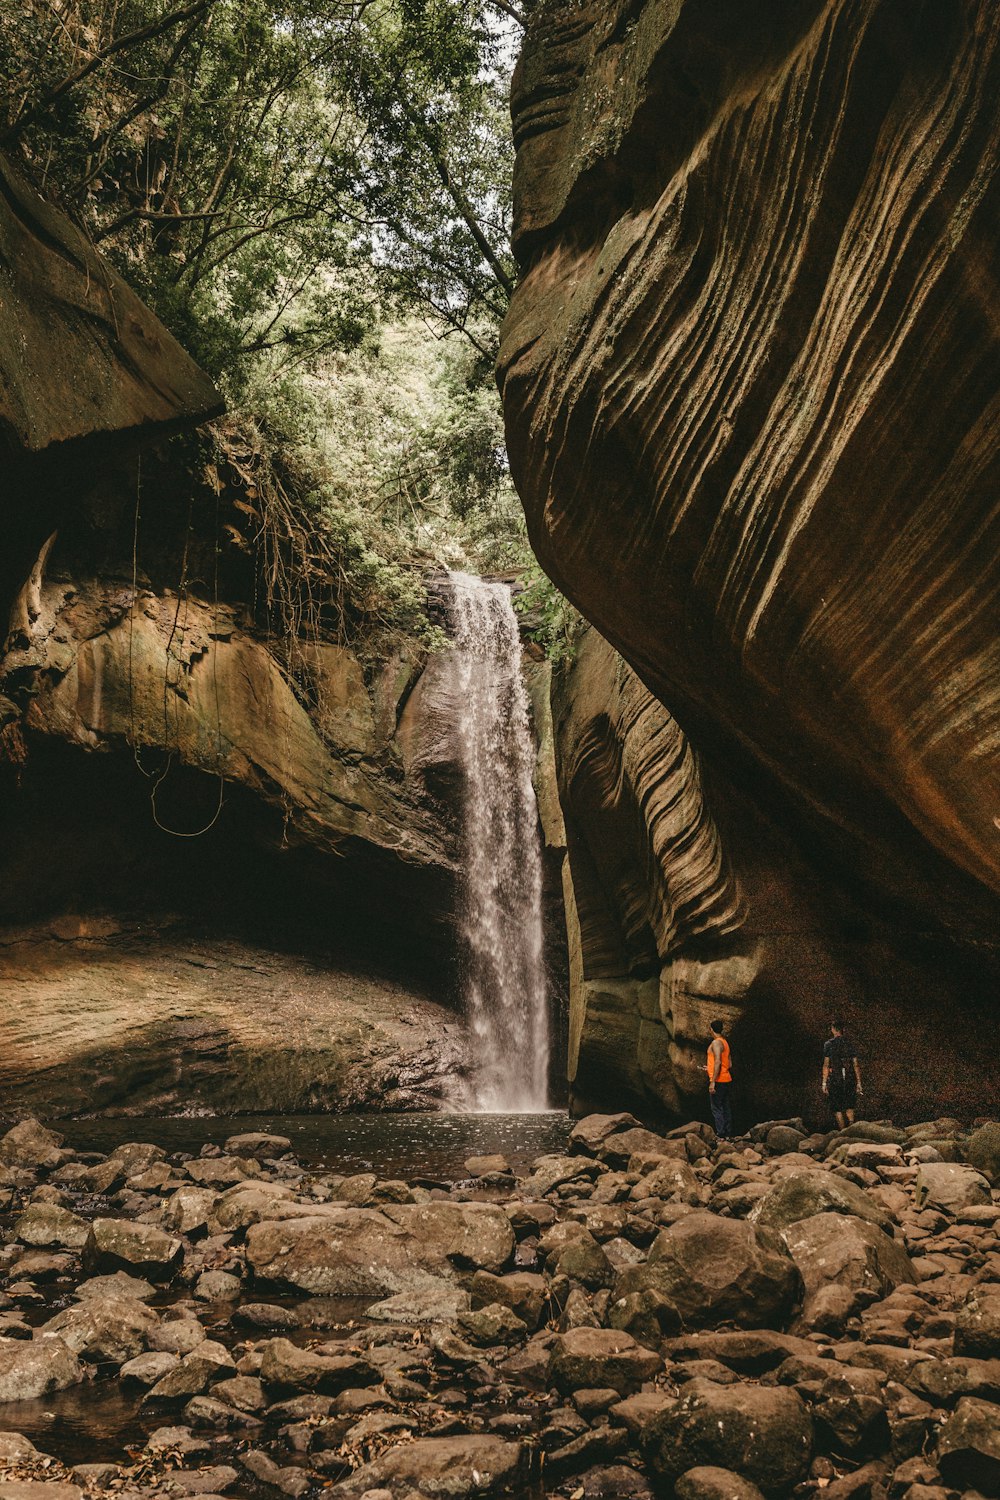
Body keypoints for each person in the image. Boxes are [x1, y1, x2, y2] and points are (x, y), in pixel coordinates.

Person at [822, 1020, 863, 1128]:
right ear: (843, 1030)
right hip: (849, 1077)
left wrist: (824, 1083)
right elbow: (855, 1065)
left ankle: (843, 1132)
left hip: (836, 1077)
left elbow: (826, 1065)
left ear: (833, 1030)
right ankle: (851, 1128)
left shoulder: (828, 1044)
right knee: (849, 1105)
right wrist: (859, 1082)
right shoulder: (850, 1044)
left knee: (837, 1107)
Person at [706, 1018, 733, 1139]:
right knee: (725, 1106)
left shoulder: (716, 1043)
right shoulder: (725, 1042)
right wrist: (708, 1068)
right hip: (726, 1079)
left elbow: (717, 1062)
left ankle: (721, 1134)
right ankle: (728, 1134)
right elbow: (729, 1064)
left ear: (711, 1029)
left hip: (719, 1080)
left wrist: (712, 1082)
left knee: (716, 1107)